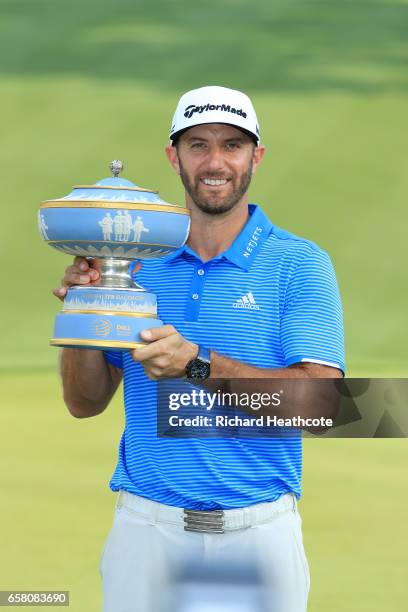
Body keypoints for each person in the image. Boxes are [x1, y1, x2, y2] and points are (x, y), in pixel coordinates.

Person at [54, 85, 345, 612]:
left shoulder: (300, 264)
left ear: (255, 156)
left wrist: (198, 365)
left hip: (259, 533)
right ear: (174, 156)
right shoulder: (137, 263)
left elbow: (324, 406)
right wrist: (83, 309)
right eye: (198, 145)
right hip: (146, 532)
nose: (216, 162)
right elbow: (84, 402)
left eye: (232, 145)